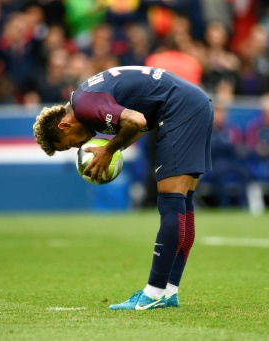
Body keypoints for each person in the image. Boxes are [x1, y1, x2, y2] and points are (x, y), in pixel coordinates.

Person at [33, 65, 213, 310]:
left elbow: (136, 120)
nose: (78, 147)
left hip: (180, 109)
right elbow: (140, 121)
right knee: (182, 201)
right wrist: (115, 148)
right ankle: (169, 291)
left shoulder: (85, 106)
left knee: (170, 201)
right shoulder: (86, 96)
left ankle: (153, 293)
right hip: (193, 103)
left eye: (69, 145)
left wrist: (108, 150)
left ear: (65, 126)